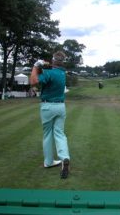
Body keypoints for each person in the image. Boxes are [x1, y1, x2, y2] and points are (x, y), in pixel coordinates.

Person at [30, 51, 70, 179]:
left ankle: (48, 161)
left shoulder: (50, 73)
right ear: (62, 62)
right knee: (59, 133)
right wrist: (43, 68)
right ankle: (64, 157)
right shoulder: (62, 74)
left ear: (53, 61)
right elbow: (45, 78)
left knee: (47, 134)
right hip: (60, 106)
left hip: (47, 106)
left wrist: (36, 65)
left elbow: (33, 81)